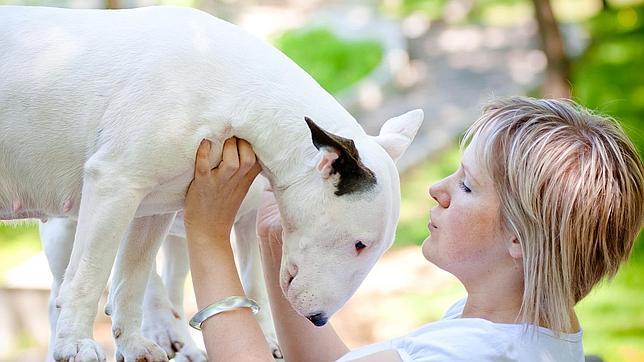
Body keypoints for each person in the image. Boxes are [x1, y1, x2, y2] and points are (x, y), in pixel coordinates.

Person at [183, 97, 643, 361]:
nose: (437, 189)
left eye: (466, 185)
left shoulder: (471, 356)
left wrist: (207, 238)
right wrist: (275, 242)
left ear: (519, 238)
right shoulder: (514, 330)